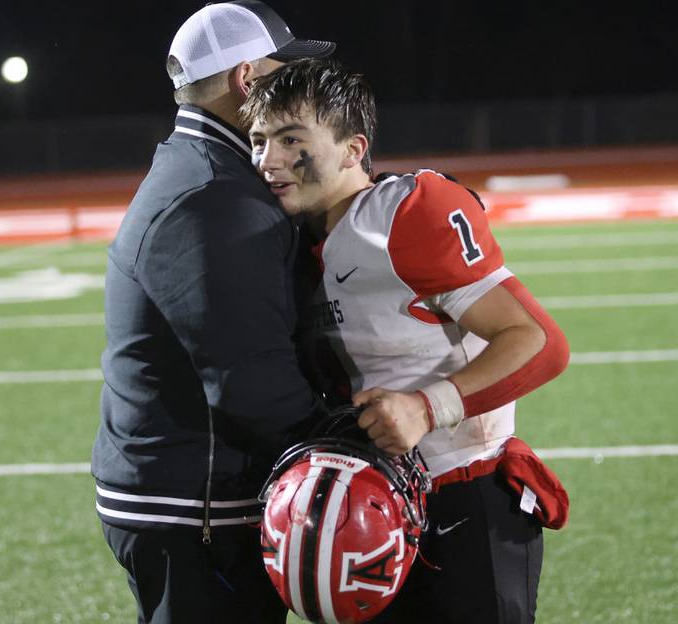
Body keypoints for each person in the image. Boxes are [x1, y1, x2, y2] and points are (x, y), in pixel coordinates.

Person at [241, 59, 571, 623]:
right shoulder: (293, 237)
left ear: (352, 148)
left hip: (464, 500)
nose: (268, 160)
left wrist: (428, 406)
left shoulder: (404, 215)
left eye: (291, 138)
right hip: (368, 504)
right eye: (258, 140)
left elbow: (539, 342)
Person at [90, 4, 335, 623]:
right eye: (288, 69)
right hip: (193, 505)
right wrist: (349, 443)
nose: (300, 83)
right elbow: (249, 380)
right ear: (247, 79)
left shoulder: (210, 172)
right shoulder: (212, 195)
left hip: (186, 490)